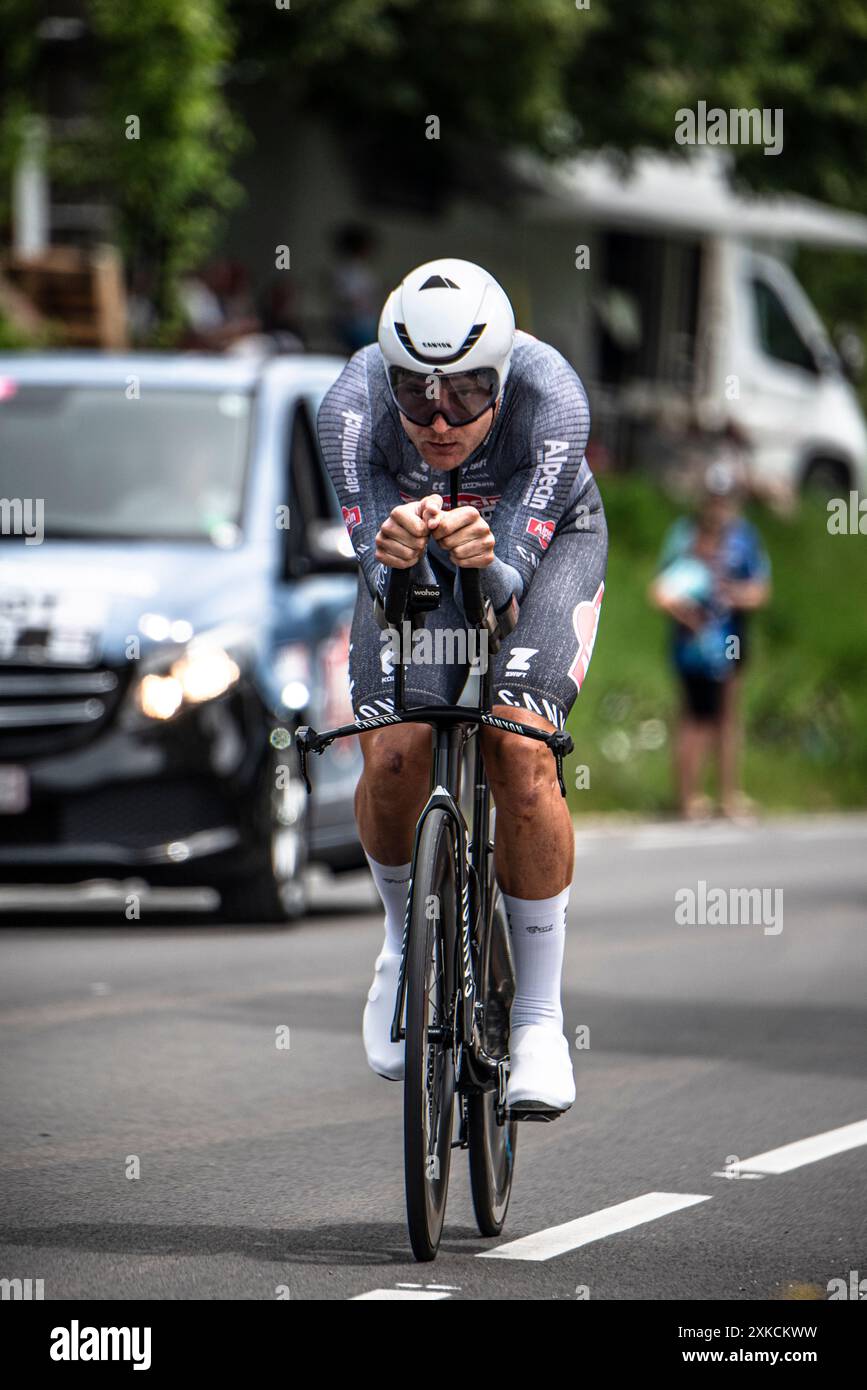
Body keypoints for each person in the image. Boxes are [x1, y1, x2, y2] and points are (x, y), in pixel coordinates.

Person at [317, 258, 607, 1113]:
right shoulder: (348, 407)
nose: (440, 420)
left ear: (504, 375)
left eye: (468, 393)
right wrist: (390, 556)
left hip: (539, 549)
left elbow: (503, 595)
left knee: (517, 747)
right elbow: (385, 585)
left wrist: (491, 564)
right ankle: (404, 943)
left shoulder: (552, 398)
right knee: (398, 752)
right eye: (416, 396)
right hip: (417, 554)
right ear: (388, 379)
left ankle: (538, 1019)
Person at [650, 466, 771, 820]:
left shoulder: (745, 538)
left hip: (731, 637)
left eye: (724, 500)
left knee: (727, 716)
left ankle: (727, 796)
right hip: (692, 641)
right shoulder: (684, 535)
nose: (717, 507)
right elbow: (662, 587)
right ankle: (688, 797)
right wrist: (684, 610)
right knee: (694, 717)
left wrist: (732, 595)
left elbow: (760, 590)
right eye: (713, 499)